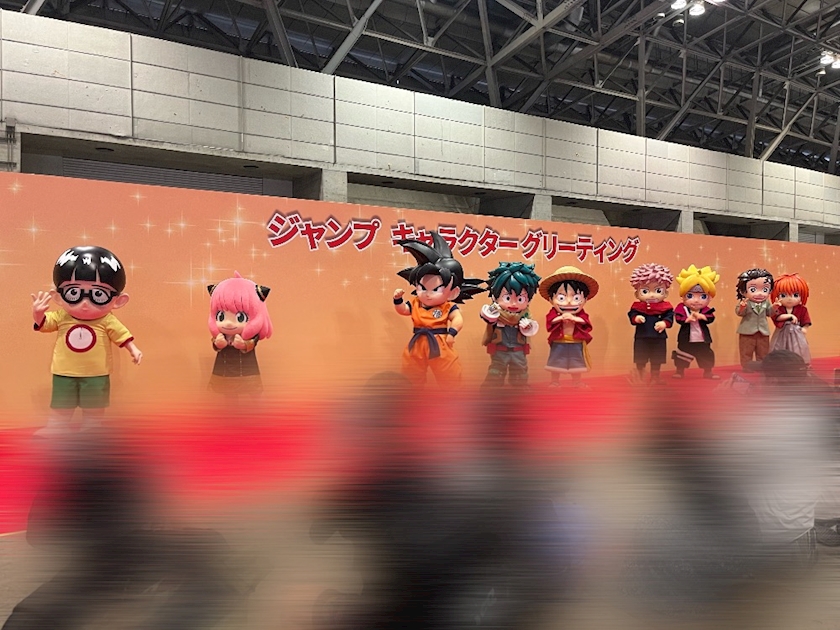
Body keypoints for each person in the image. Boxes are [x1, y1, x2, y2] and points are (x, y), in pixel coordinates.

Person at [31, 246, 142, 436]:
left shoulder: (107, 320)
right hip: (64, 371)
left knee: (94, 405)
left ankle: (92, 428)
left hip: (96, 372)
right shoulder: (61, 316)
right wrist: (38, 314)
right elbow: (44, 324)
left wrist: (133, 349)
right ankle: (58, 426)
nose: (84, 303)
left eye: (98, 295)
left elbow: (121, 335)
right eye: (73, 293)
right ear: (57, 296)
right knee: (61, 402)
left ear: (118, 301)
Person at [393, 232, 485, 386]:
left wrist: (452, 333)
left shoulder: (447, 306)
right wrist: (398, 300)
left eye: (435, 289)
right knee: (411, 372)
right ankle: (412, 393)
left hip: (440, 342)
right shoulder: (415, 303)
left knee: (448, 372)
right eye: (422, 288)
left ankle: (450, 395)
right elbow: (403, 310)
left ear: (453, 292)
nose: (428, 294)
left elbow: (457, 319)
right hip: (417, 343)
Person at [207, 272, 273, 399]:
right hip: (226, 368)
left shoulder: (249, 334)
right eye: (221, 316)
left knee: (254, 393)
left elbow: (255, 340)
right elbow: (215, 342)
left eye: (240, 317)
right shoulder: (221, 334)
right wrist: (217, 344)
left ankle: (257, 409)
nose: (228, 323)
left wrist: (245, 344)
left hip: (247, 367)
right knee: (229, 394)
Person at [480, 262, 541, 388]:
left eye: (520, 299)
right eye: (507, 298)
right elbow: (487, 317)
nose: (513, 304)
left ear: (528, 300)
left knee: (520, 373)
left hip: (518, 351)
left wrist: (527, 326)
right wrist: (491, 313)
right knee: (495, 373)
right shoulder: (494, 312)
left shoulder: (526, 315)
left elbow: (531, 328)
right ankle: (492, 390)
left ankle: (520, 389)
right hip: (500, 351)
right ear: (496, 297)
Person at [538, 266, 599, 388]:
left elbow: (586, 323)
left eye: (576, 298)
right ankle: (555, 381)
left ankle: (577, 382)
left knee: (576, 363)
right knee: (556, 362)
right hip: (559, 342)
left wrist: (574, 319)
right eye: (561, 298)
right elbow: (550, 322)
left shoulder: (581, 314)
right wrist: (560, 318)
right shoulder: (554, 313)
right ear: (551, 299)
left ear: (585, 299)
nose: (569, 302)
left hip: (576, 342)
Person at [628, 263, 674, 385]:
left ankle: (655, 377)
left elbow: (669, 317)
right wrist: (636, 318)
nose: (652, 294)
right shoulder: (637, 307)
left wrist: (664, 323)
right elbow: (632, 315)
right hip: (642, 337)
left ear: (665, 293)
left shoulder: (666, 307)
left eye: (658, 290)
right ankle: (640, 376)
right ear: (637, 294)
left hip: (658, 338)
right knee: (640, 358)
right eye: (645, 291)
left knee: (657, 359)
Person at [672, 264, 720, 380]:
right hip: (686, 338)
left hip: (702, 339)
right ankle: (680, 371)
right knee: (682, 355)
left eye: (703, 297)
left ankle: (708, 372)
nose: (696, 300)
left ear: (709, 298)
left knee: (706, 355)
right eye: (690, 296)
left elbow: (711, 317)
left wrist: (702, 316)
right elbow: (678, 318)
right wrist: (687, 319)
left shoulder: (705, 309)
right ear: (682, 297)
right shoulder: (681, 308)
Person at [735, 268, 774, 370]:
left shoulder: (766, 303)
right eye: (753, 290)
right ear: (743, 291)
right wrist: (742, 307)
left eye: (765, 290)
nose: (760, 293)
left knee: (763, 351)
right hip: (747, 331)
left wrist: (776, 307)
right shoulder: (745, 303)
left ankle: (762, 366)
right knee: (746, 351)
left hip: (763, 331)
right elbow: (739, 313)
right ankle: (747, 366)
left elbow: (770, 313)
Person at [769, 273, 812, 366]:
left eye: (795, 295)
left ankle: (800, 363)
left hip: (796, 333)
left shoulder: (802, 309)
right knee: (779, 346)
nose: (789, 299)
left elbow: (806, 321)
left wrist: (805, 328)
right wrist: (790, 316)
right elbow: (777, 317)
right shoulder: (779, 308)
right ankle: (778, 363)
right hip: (781, 332)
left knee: (799, 347)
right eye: (783, 295)